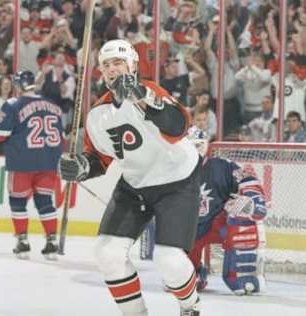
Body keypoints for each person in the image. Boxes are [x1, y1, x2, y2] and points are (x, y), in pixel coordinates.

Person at [58, 39, 202, 316]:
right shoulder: (98, 114)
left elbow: (179, 126)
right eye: (107, 65)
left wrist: (141, 98)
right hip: (135, 185)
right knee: (106, 252)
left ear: (132, 65)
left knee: (168, 259)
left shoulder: (149, 91)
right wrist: (82, 167)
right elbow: (100, 158)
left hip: (177, 180)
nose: (112, 69)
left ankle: (190, 306)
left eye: (118, 63)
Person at [0, 70, 64, 260]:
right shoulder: (53, 105)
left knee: (18, 201)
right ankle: (52, 242)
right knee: (45, 201)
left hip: (22, 162)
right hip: (48, 162)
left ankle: (22, 241)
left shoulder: (13, 104)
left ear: (18, 85)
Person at [186, 126, 267, 295]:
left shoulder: (222, 167)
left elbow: (248, 180)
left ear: (206, 145)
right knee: (181, 278)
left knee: (241, 219)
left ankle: (242, 276)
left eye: (198, 144)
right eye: (190, 145)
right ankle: (193, 273)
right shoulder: (171, 171)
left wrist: (254, 200)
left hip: (217, 224)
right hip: (186, 230)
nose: (195, 150)